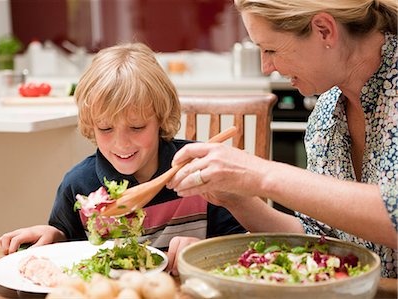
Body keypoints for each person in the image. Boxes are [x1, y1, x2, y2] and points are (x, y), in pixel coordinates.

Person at [167, 0, 397, 278]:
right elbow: (321, 239)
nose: (266, 66)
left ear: (324, 30)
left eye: (271, 49)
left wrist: (259, 173)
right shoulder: (326, 114)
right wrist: (237, 199)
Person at [0, 43, 245, 274]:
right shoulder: (78, 185)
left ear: (160, 118)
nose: (121, 143)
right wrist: (54, 235)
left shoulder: (199, 171)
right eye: (106, 129)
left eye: (137, 127)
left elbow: (240, 246)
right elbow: (67, 245)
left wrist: (202, 251)